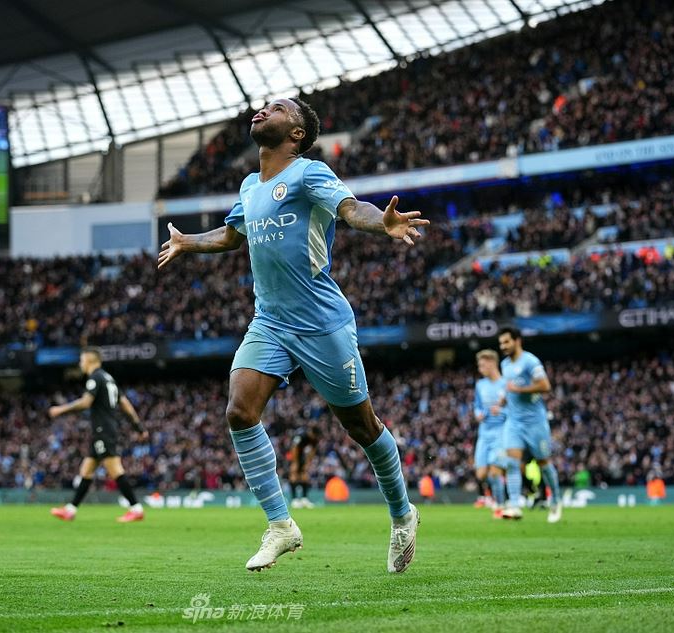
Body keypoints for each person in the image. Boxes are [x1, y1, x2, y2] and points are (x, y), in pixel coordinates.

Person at [158, 96, 429, 573]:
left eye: (277, 109)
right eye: (264, 106)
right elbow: (231, 236)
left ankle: (403, 514)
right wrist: (187, 242)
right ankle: (281, 526)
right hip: (270, 321)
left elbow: (351, 209)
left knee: (362, 427)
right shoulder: (249, 185)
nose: (263, 110)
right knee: (239, 410)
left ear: (297, 133)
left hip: (322, 321)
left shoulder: (309, 173)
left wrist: (381, 223)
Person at [49, 348, 150, 523]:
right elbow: (125, 404)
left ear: (90, 360)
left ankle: (136, 508)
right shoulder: (108, 379)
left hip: (103, 430)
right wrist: (139, 427)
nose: (80, 363)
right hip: (104, 430)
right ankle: (71, 510)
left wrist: (61, 409)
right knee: (86, 470)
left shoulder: (95, 378)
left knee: (114, 469)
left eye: (82, 360)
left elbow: (86, 402)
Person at [496, 326, 562, 523]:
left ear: (517, 341)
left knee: (543, 463)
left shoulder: (530, 361)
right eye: (501, 343)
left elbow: (545, 386)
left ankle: (555, 501)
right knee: (512, 462)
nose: (503, 346)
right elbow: (509, 388)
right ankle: (515, 505)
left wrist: (519, 389)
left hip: (535, 422)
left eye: (506, 342)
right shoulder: (505, 364)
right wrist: (504, 399)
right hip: (514, 421)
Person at [473, 349, 507, 516]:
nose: (480, 369)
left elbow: (515, 409)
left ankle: (500, 505)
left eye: (483, 365)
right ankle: (496, 496)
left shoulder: (506, 384)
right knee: (481, 473)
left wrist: (501, 411)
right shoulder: (480, 385)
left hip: (501, 431)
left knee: (495, 471)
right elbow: (477, 406)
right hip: (484, 432)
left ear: (493, 363)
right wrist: (478, 414)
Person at [289, 425, 319, 509]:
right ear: (311, 433)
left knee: (304, 476)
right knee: (294, 474)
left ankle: (304, 499)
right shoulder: (301, 435)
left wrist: (307, 463)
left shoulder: (314, 439)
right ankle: (294, 500)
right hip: (292, 454)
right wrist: (295, 462)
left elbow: (313, 451)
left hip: (302, 455)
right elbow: (294, 448)